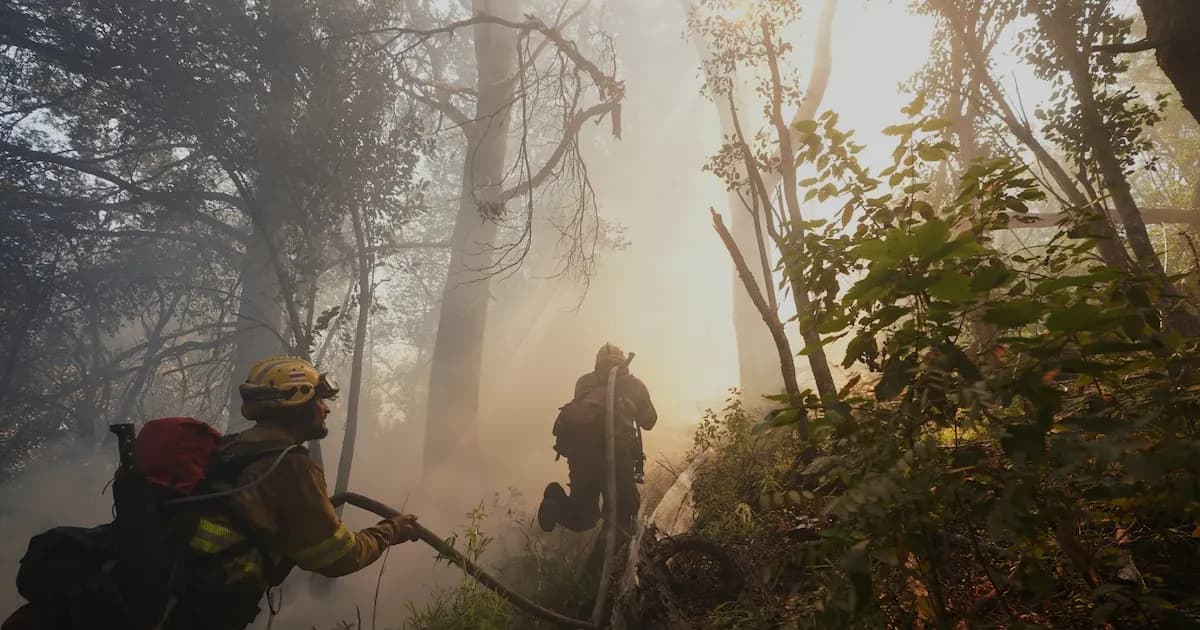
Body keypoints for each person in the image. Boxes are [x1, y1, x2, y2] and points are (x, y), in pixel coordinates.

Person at [2, 355, 421, 630]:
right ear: (297, 399)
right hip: (196, 612)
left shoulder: (230, 447)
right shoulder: (289, 466)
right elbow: (335, 557)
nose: (326, 408)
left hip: (164, 594)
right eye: (319, 398)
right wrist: (391, 530)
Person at [537, 343, 656, 534]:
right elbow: (649, 421)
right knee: (624, 515)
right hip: (618, 456)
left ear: (597, 362)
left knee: (582, 517)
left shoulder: (584, 382)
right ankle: (610, 558)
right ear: (623, 360)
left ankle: (555, 501)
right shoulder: (634, 385)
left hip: (581, 458)